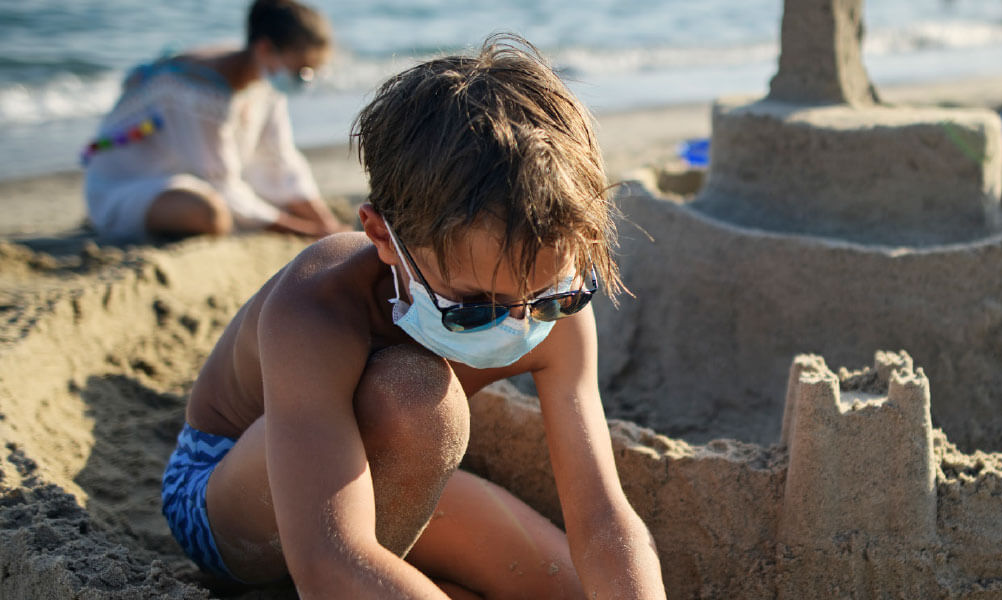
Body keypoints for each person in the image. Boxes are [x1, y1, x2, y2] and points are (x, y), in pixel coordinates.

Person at [159, 34, 668, 599]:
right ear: (383, 236)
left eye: (550, 297)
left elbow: (600, 517)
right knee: (415, 397)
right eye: (473, 307)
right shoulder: (317, 308)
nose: (520, 321)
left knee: (573, 589)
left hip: (386, 488)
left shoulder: (551, 295)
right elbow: (329, 561)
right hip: (234, 495)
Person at [82, 0, 347, 243]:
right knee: (213, 214)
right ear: (265, 48)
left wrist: (327, 223)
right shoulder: (197, 90)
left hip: (187, 173)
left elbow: (280, 157)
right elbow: (223, 185)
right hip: (123, 184)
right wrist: (312, 232)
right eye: (302, 73)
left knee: (273, 198)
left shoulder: (264, 74)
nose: (306, 81)